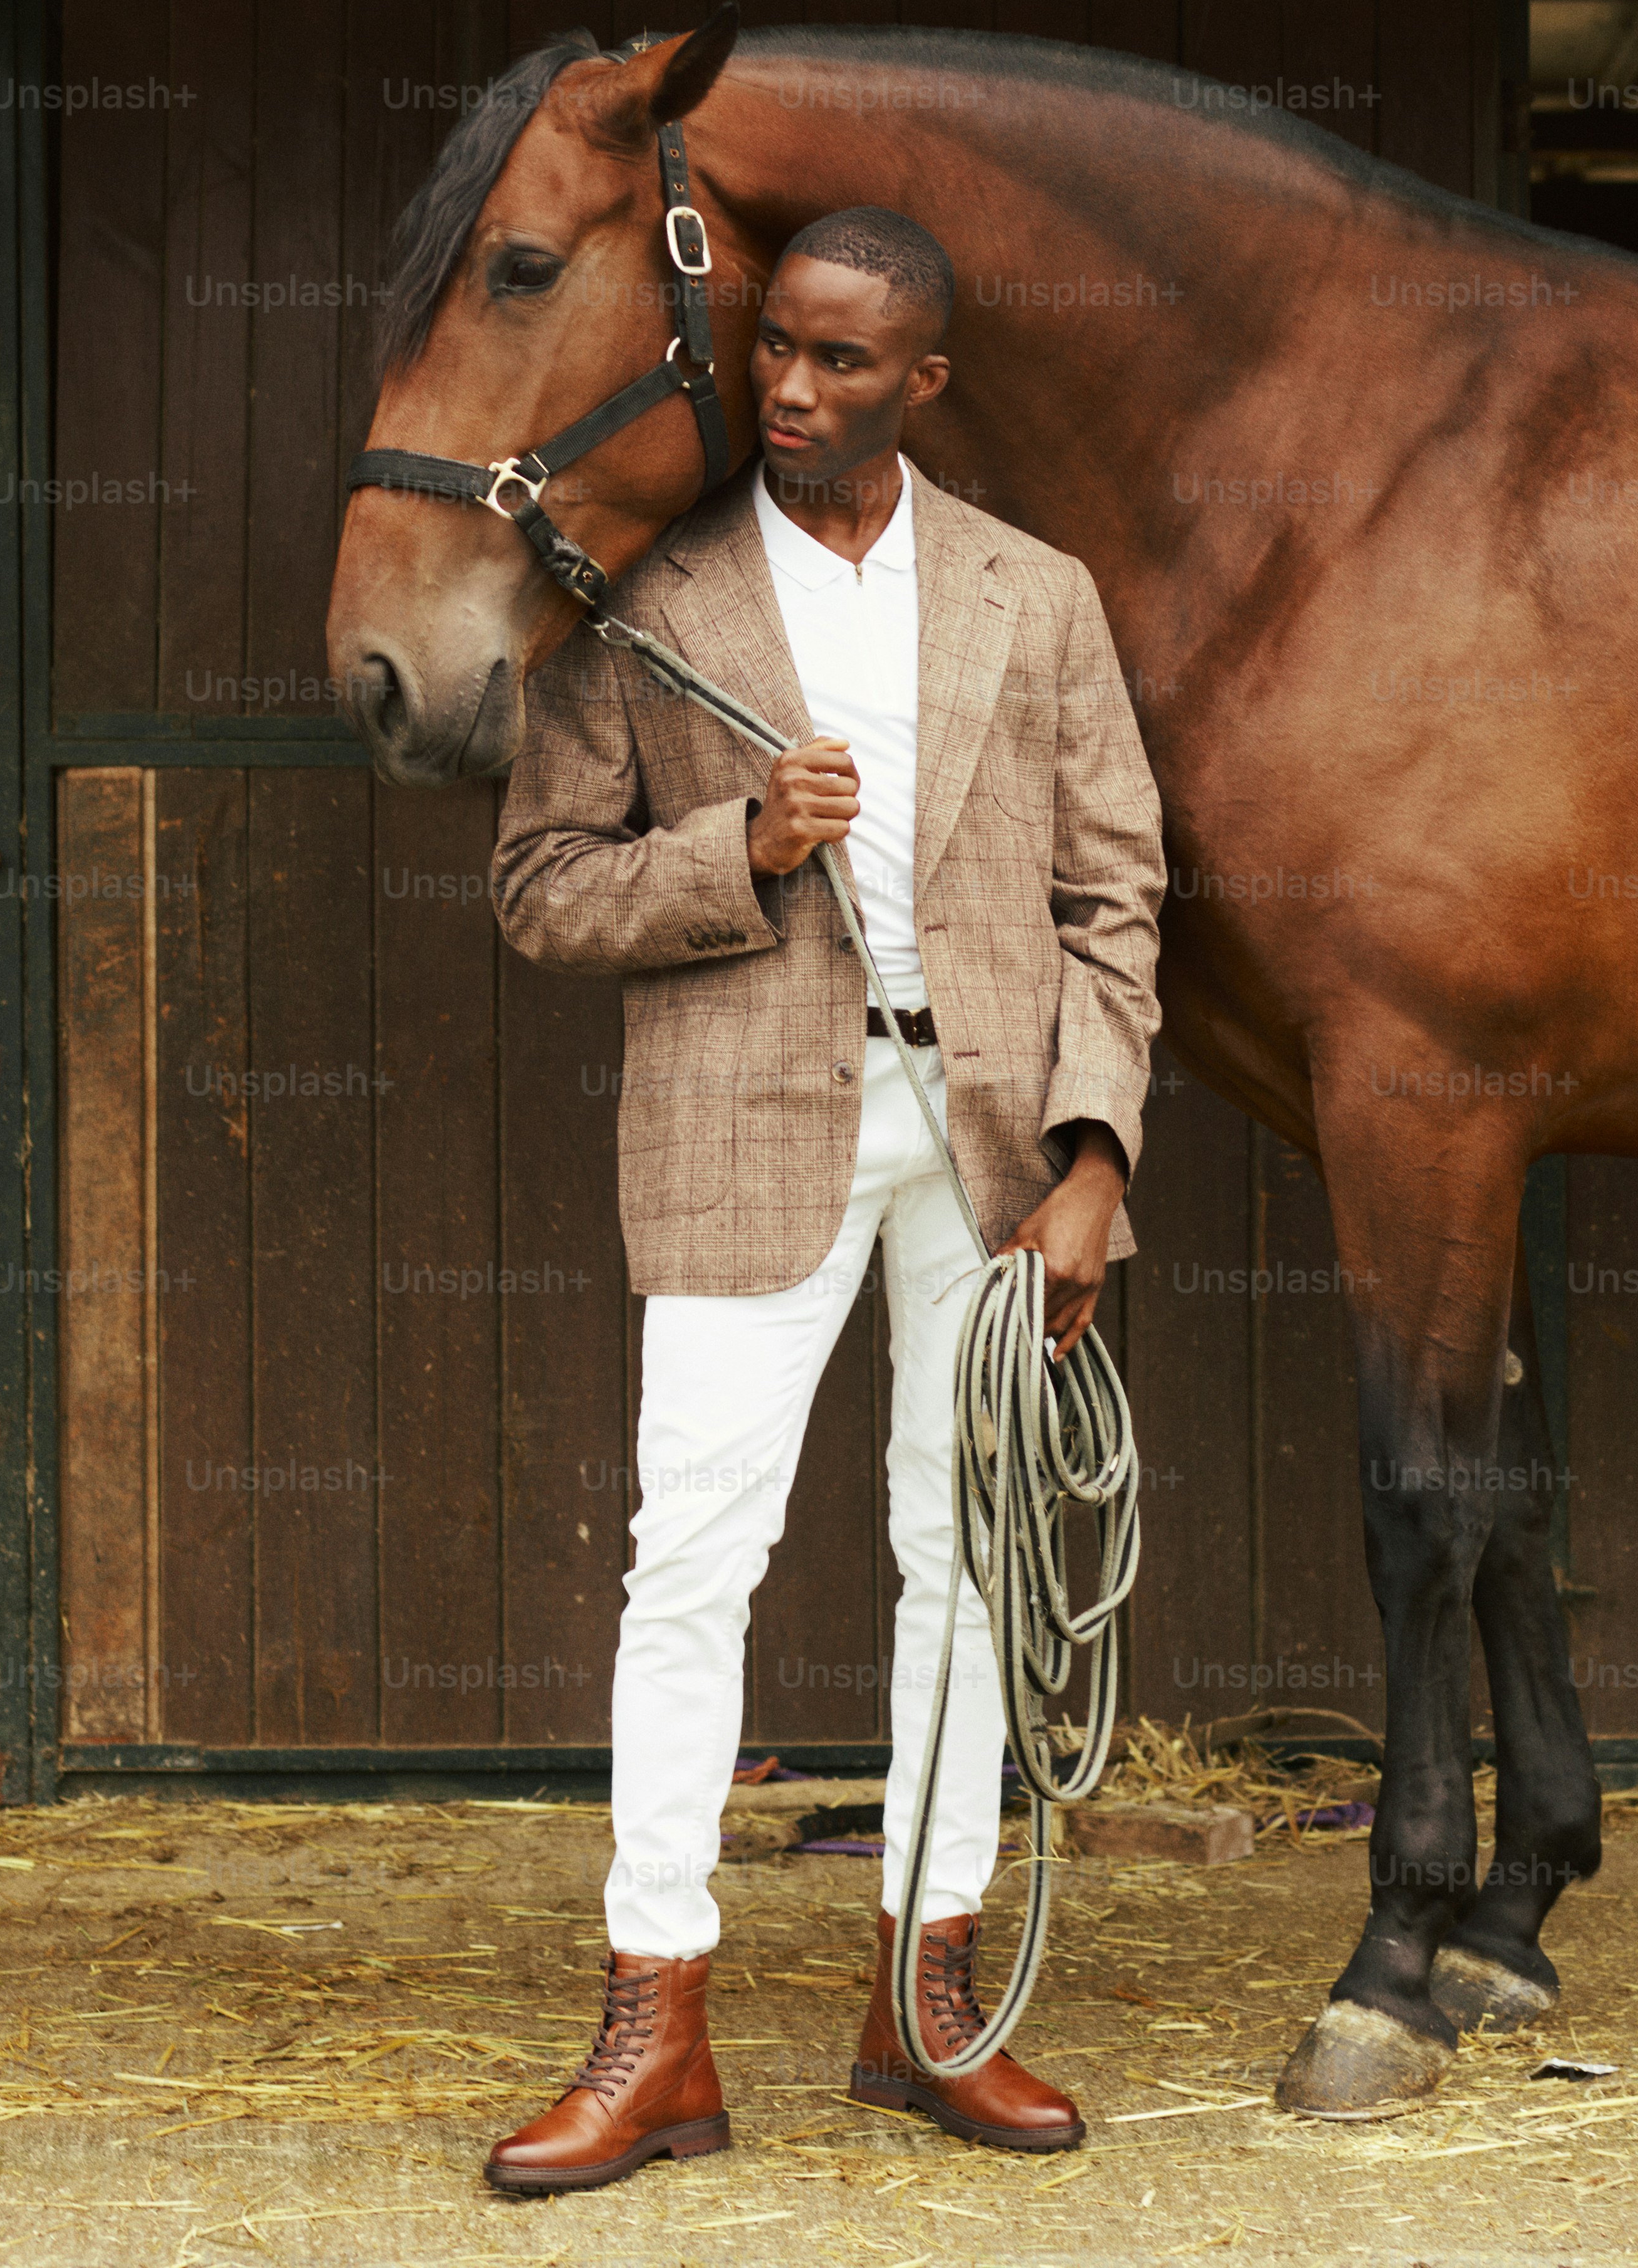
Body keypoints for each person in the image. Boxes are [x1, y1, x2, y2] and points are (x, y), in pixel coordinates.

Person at [480, 204, 1167, 2195]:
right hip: (737, 1126)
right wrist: (739, 847)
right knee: (690, 1563)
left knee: (965, 1560)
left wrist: (1097, 1160)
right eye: (775, 345)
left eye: (843, 359)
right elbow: (540, 891)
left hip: (992, 1150)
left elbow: (1116, 898)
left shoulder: (1037, 598)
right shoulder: (644, 595)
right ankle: (654, 2022)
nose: (789, 386)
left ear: (924, 382)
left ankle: (927, 1998)